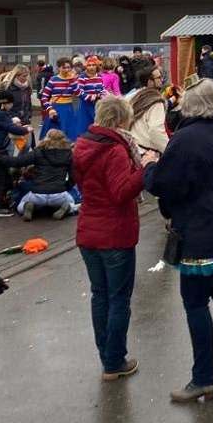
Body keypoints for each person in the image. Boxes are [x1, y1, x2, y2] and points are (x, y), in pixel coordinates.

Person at [144, 78, 213, 402]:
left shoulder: (186, 139)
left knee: (195, 303)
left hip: (202, 230)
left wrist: (148, 167)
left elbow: (164, 184)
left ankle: (202, 378)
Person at [72, 96, 149, 381]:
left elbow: (84, 185)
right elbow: (121, 192)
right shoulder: (116, 150)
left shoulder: (83, 144)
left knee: (99, 296)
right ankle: (114, 361)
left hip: (88, 231)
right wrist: (145, 169)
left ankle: (106, 356)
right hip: (115, 233)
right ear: (120, 121)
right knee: (118, 299)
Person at [0, 128, 74, 221]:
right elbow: (73, 175)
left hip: (38, 193)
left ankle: (28, 207)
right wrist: (66, 186)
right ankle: (67, 208)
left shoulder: (38, 152)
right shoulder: (68, 154)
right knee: (73, 203)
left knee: (21, 205)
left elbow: (16, 162)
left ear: (46, 138)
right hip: (59, 193)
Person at [0, 90, 33, 217]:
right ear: (4, 103)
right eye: (11, 103)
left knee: (1, 177)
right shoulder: (0, 114)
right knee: (3, 178)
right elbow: (12, 128)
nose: (12, 105)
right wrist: (25, 129)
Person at [127, 65, 169, 154]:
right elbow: (155, 130)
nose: (161, 80)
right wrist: (169, 150)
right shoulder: (156, 102)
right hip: (148, 153)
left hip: (133, 149)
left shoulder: (133, 96)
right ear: (150, 81)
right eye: (158, 78)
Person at [40, 57, 77, 140]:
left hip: (69, 109)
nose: (67, 69)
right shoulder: (53, 80)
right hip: (55, 109)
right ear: (59, 68)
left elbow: (79, 94)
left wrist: (74, 81)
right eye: (64, 67)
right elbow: (44, 97)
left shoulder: (73, 80)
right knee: (53, 137)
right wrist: (50, 109)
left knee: (69, 136)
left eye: (68, 67)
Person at [75, 56, 105, 138]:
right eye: (89, 65)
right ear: (86, 66)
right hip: (86, 106)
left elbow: (102, 89)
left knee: (98, 127)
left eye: (93, 65)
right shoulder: (82, 77)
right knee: (84, 127)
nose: (91, 67)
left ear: (97, 66)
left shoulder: (99, 76)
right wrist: (91, 97)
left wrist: (102, 95)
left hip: (98, 105)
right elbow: (79, 92)